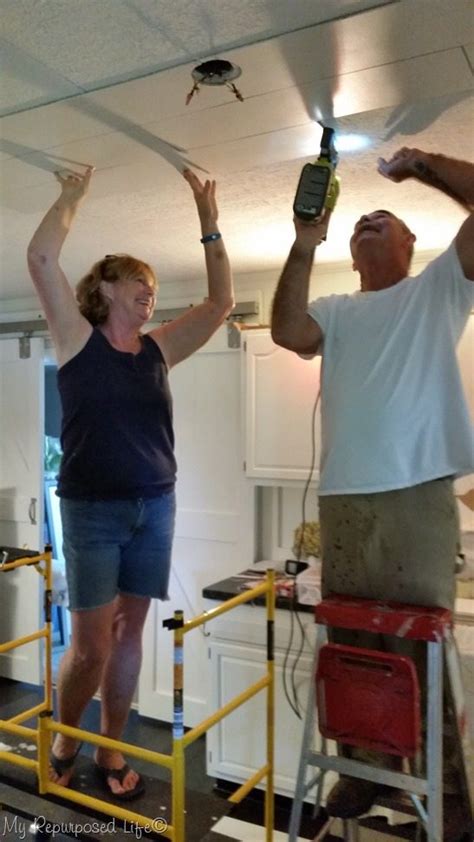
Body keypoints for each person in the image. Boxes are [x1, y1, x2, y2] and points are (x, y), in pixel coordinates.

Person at [271, 147, 473, 840]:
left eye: (382, 219)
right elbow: (287, 329)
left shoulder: (439, 287)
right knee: (353, 644)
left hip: (417, 494)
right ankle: (358, 768)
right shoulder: (336, 310)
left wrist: (420, 168)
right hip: (346, 502)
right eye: (359, 222)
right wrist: (304, 243)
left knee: (420, 652)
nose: (367, 221)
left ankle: (447, 799)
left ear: (413, 243)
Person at [27, 165, 234, 800]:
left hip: (155, 507)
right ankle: (67, 738)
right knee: (88, 646)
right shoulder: (75, 340)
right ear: (107, 289)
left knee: (129, 633)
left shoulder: (157, 349)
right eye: (138, 283)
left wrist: (208, 222)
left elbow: (222, 302)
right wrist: (72, 195)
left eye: (152, 285)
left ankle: (112, 751)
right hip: (91, 511)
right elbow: (39, 257)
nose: (150, 291)